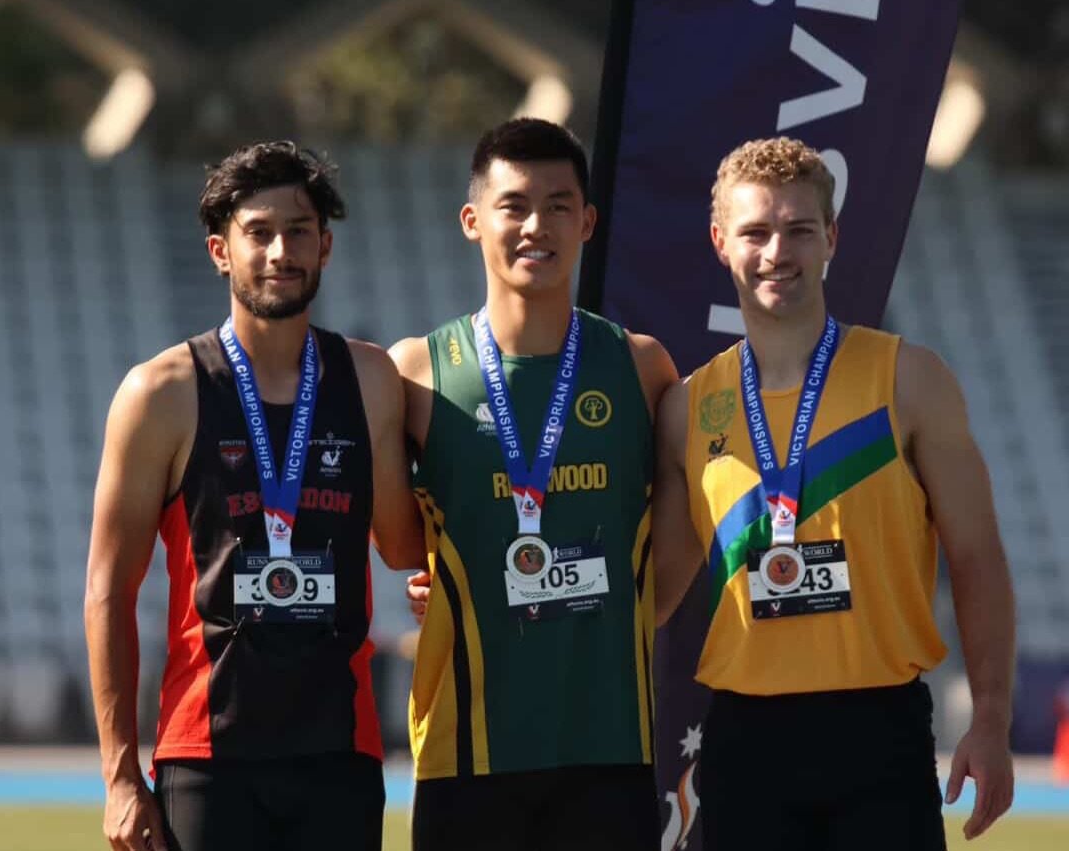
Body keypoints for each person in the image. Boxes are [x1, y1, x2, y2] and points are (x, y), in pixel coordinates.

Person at [652, 136, 1016, 850]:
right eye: (755, 232)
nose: (776, 252)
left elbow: (977, 558)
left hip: (878, 735)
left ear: (831, 239)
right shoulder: (687, 408)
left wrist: (992, 717)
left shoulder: (910, 379)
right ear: (720, 241)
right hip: (745, 744)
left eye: (798, 229)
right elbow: (653, 596)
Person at [84, 141, 424, 851]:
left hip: (340, 752)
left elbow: (401, 545)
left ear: (325, 245)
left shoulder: (369, 379)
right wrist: (118, 776)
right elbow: (109, 590)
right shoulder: (160, 393)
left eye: (298, 231)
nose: (280, 251)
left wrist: (440, 565)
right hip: (208, 754)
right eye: (259, 232)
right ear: (220, 250)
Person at [390, 118, 678, 851]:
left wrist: (616, 612)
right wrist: (441, 584)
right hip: (465, 752)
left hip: (608, 749)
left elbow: (674, 556)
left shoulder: (642, 368)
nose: (535, 226)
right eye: (513, 205)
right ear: (472, 220)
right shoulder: (416, 373)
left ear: (587, 222)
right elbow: (398, 542)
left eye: (557, 206)